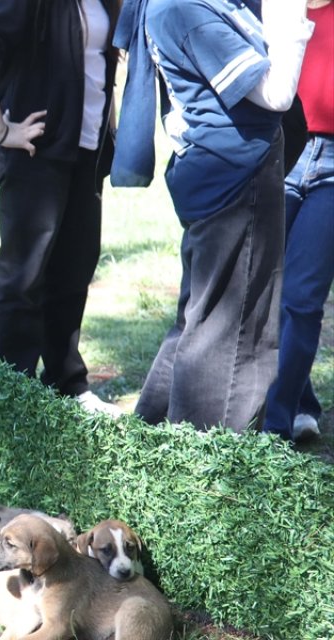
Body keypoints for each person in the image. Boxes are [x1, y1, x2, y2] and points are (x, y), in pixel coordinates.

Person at [113, 0, 312, 431]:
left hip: (224, 171)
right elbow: (276, 93)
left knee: (200, 319)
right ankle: (202, 473)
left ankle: (149, 439)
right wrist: (291, 11)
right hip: (235, 176)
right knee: (232, 333)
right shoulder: (183, 9)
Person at [0, 0, 125, 416]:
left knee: (74, 270)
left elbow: (97, 67)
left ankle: (67, 384)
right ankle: (12, 392)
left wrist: (111, 130)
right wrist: (0, 129)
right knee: (23, 278)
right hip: (36, 154)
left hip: (86, 152)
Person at [263, 0, 331, 442]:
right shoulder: (272, 6)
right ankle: (300, 400)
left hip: (332, 161)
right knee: (264, 290)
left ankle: (274, 426)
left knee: (302, 296)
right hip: (278, 152)